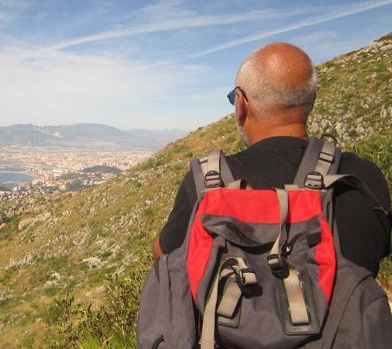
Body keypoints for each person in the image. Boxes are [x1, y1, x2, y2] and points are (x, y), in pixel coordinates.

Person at [152, 42, 391, 276]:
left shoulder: (205, 183)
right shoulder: (363, 178)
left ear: (241, 104)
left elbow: (164, 255)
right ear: (312, 101)